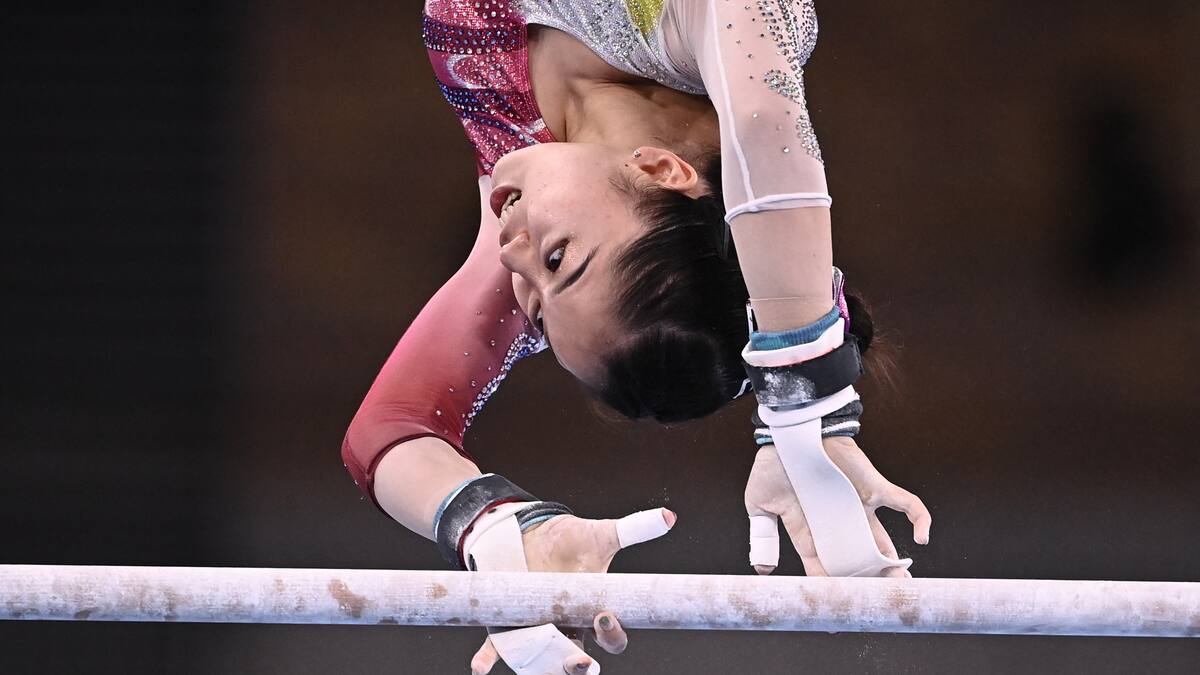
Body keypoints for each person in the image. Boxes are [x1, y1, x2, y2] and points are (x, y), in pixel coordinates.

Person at [343, 2, 931, 672]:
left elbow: (391, 427)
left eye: (534, 308)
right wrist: (803, 402)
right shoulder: (719, 24)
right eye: (561, 259)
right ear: (660, 170)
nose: (513, 260)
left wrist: (494, 523)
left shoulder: (522, 154)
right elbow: (765, 122)